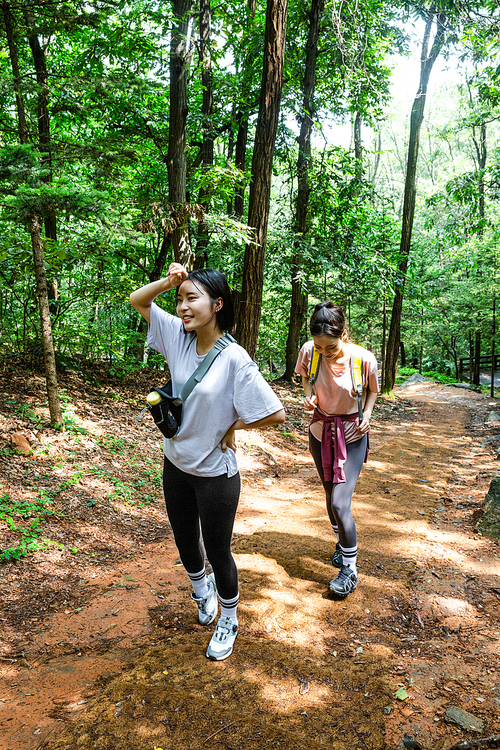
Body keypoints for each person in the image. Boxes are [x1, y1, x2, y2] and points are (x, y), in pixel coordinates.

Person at [130, 263, 285, 660]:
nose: (182, 307)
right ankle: (203, 594)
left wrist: (233, 424)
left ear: (216, 304)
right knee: (185, 542)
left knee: (218, 550)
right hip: (176, 463)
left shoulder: (234, 358)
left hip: (215, 473)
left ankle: (229, 619)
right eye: (180, 301)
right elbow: (137, 300)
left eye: (191, 298)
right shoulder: (178, 339)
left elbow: (274, 412)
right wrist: (170, 282)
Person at [295, 302, 379, 598]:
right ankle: (342, 543)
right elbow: (305, 377)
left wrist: (366, 415)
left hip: (353, 434)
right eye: (319, 346)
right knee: (331, 498)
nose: (323, 352)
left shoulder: (364, 359)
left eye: (329, 347)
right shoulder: (310, 351)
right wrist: (308, 397)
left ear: (344, 334)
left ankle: (349, 569)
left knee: (341, 503)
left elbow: (371, 391)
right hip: (320, 433)